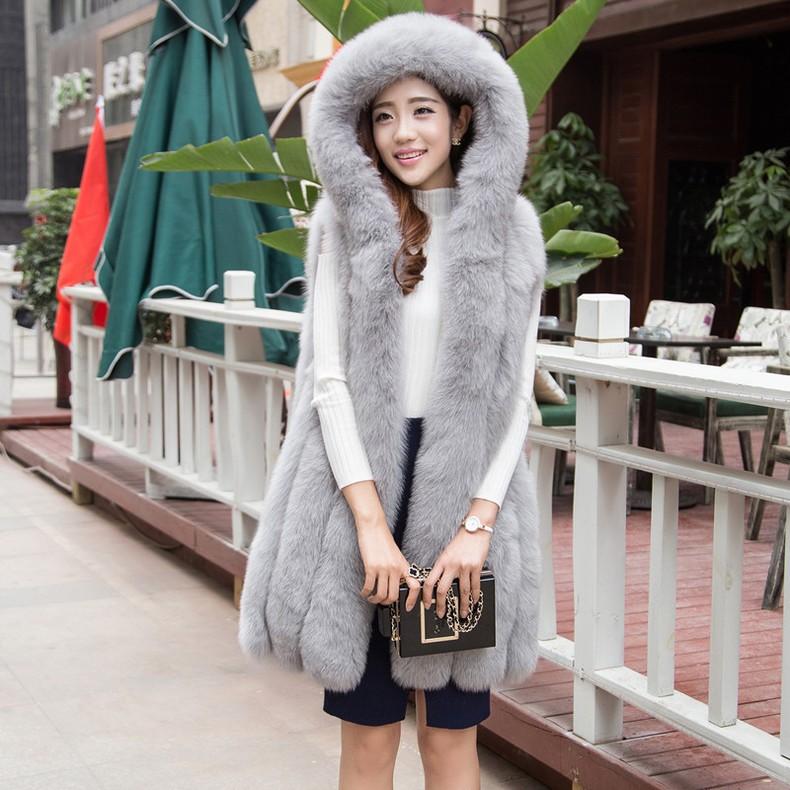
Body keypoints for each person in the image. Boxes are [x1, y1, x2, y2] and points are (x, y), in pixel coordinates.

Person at [239, 12, 546, 790]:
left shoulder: (512, 231)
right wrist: (370, 528)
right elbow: (328, 383)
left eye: (421, 111)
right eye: (383, 116)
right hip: (359, 488)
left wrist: (475, 529)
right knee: (370, 737)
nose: (403, 133)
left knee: (449, 739)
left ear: (462, 119)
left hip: (463, 493)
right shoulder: (345, 225)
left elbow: (512, 398)